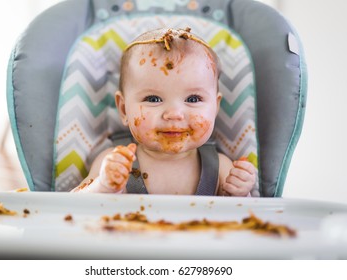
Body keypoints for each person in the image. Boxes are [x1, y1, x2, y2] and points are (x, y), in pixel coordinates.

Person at [71, 28, 256, 196]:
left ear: (215, 107)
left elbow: (246, 222)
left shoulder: (221, 168)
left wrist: (240, 194)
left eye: (192, 99)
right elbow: (72, 207)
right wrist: (103, 187)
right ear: (124, 109)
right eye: (153, 99)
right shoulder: (115, 163)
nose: (174, 114)